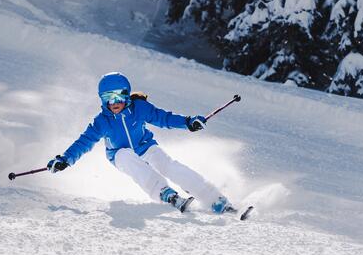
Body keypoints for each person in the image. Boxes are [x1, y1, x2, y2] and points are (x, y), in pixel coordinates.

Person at [47, 72, 234, 213]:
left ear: (127, 95)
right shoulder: (102, 121)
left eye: (118, 96)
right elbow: (84, 142)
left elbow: (163, 118)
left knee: (167, 165)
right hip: (119, 155)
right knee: (126, 155)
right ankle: (164, 193)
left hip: (145, 146)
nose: (114, 102)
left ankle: (214, 199)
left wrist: (188, 123)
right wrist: (66, 159)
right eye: (107, 98)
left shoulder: (140, 108)